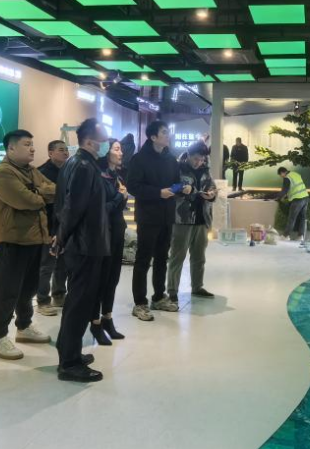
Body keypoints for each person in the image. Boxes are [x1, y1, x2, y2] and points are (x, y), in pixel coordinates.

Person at [0, 130, 56, 361]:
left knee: (28, 289)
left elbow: (54, 190)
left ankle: (24, 326)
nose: (32, 149)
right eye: (27, 144)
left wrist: (38, 192)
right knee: (5, 291)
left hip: (35, 239)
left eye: (32, 144)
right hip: (12, 240)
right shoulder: (3, 173)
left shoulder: (31, 171)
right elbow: (26, 200)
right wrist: (39, 194)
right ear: (11, 148)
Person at [53, 119, 111, 383]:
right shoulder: (84, 167)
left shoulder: (74, 164)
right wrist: (61, 237)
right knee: (79, 304)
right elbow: (72, 208)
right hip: (85, 245)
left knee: (76, 302)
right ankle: (70, 363)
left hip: (82, 244)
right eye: (103, 139)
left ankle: (69, 350)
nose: (106, 143)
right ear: (89, 142)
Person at [127, 120, 191, 321]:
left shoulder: (170, 159)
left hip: (167, 215)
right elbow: (133, 186)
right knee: (143, 259)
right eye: (164, 132)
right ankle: (140, 303)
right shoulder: (139, 159)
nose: (167, 135)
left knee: (162, 258)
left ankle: (158, 297)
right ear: (153, 137)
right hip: (148, 216)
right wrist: (157, 193)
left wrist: (182, 188)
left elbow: (174, 184)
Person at [167, 142, 217, 303]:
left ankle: (197, 287)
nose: (198, 162)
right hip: (183, 219)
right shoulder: (177, 168)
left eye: (201, 159)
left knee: (199, 256)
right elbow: (170, 188)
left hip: (202, 219)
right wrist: (183, 188)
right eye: (196, 159)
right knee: (178, 256)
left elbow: (213, 188)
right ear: (188, 155)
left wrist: (212, 194)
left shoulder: (205, 170)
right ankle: (172, 290)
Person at [90, 138, 128, 345]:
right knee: (100, 279)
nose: (120, 153)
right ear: (107, 152)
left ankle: (108, 318)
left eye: (121, 149)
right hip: (102, 233)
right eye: (117, 149)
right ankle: (95, 323)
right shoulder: (98, 176)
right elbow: (101, 209)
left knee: (113, 278)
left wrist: (122, 198)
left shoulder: (117, 177)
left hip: (117, 231)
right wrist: (120, 198)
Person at [36, 140, 70, 316]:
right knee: (47, 264)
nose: (65, 153)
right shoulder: (41, 172)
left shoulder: (69, 170)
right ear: (50, 153)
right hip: (48, 224)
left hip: (64, 224)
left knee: (63, 263)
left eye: (66, 150)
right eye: (61, 150)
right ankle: (42, 300)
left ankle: (59, 295)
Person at [275, 167, 310, 242]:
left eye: (281, 175)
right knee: (302, 218)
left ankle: (286, 236)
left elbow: (284, 190)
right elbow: (295, 187)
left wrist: (278, 198)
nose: (281, 177)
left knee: (292, 218)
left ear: (282, 172)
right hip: (305, 197)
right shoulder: (296, 174)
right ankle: (300, 236)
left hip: (297, 199)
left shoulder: (287, 178)